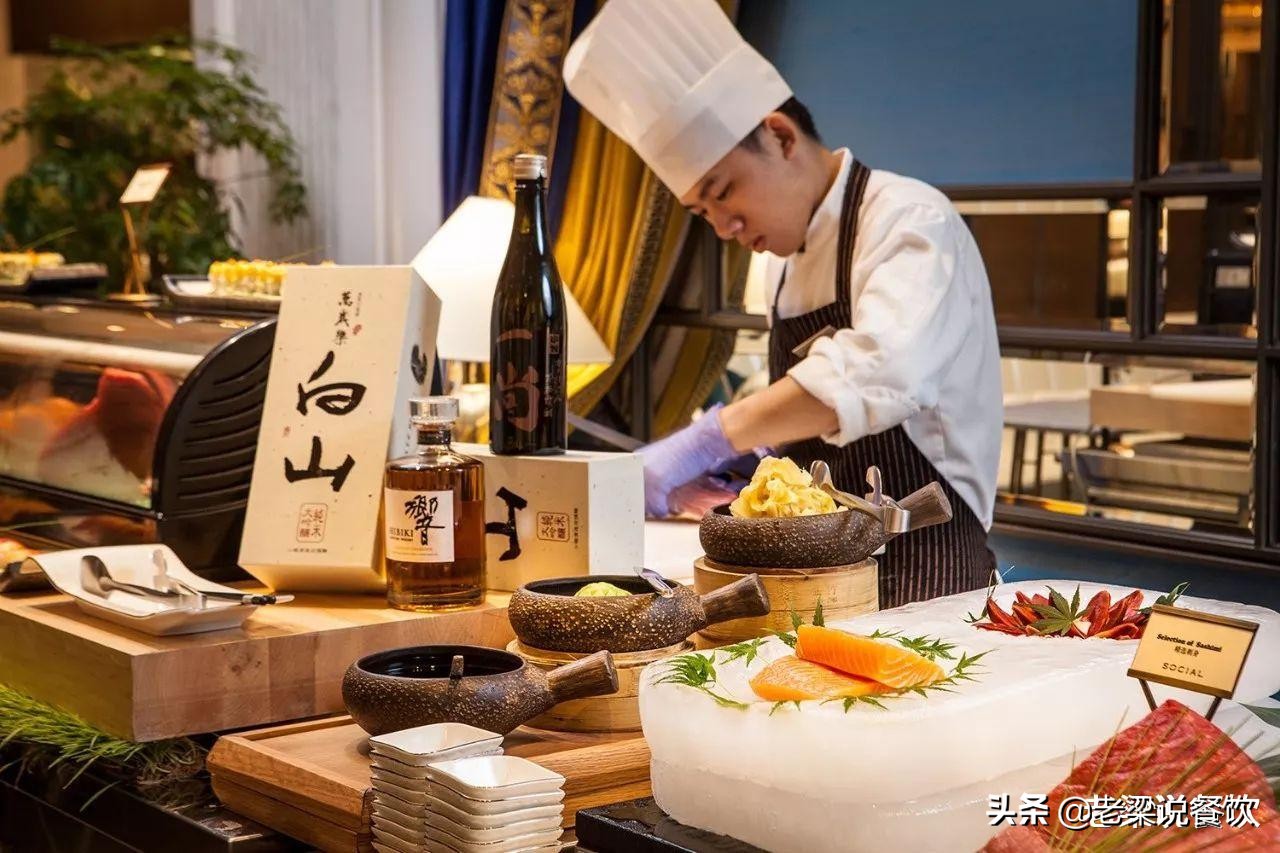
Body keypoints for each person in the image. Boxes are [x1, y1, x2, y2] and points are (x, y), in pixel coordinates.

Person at [563, 0, 1002, 607]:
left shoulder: (910, 220)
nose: (724, 226)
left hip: (926, 568)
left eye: (724, 192)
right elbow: (810, 416)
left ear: (780, 135)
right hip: (814, 575)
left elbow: (877, 373)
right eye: (702, 212)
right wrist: (757, 459)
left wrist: (711, 439)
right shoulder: (782, 261)